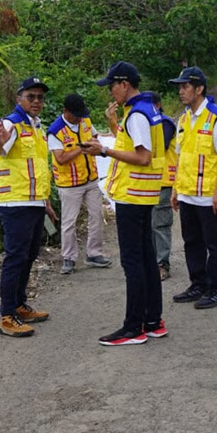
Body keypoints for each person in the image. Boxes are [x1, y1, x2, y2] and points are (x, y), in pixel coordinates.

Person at [81, 62, 167, 346]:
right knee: (145, 259)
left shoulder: (137, 114)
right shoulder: (147, 110)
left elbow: (143, 157)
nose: (110, 91)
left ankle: (134, 327)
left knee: (133, 263)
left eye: (111, 85)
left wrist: (104, 150)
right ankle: (152, 321)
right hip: (143, 193)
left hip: (134, 195)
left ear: (125, 84)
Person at [0, 76, 58, 338]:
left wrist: (46, 202)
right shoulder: (10, 122)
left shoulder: (37, 127)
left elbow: (38, 168)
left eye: (40, 97)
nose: (37, 101)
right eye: (31, 96)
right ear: (19, 99)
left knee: (29, 255)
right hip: (15, 202)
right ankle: (7, 315)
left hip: (34, 201)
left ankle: (18, 304)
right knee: (15, 257)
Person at [168, 67, 217, 309]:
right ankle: (198, 283)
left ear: (199, 89)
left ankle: (216, 288)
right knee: (191, 241)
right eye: (180, 87)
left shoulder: (216, 117)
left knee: (214, 242)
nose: (181, 91)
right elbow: (181, 156)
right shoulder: (183, 119)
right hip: (186, 193)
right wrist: (176, 189)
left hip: (207, 195)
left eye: (185, 87)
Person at [46, 93, 112, 275]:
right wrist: (81, 148)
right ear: (65, 111)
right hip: (69, 185)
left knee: (97, 216)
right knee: (69, 222)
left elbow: (95, 138)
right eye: (75, 114)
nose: (79, 118)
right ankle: (68, 258)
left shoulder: (85, 121)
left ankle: (94, 253)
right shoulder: (55, 131)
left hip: (91, 180)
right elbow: (60, 158)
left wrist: (95, 143)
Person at [149, 92, 178, 281]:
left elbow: (154, 149)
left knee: (160, 225)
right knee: (150, 225)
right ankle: (153, 262)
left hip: (164, 182)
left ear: (158, 105)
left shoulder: (165, 124)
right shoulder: (151, 124)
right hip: (150, 182)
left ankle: (162, 264)